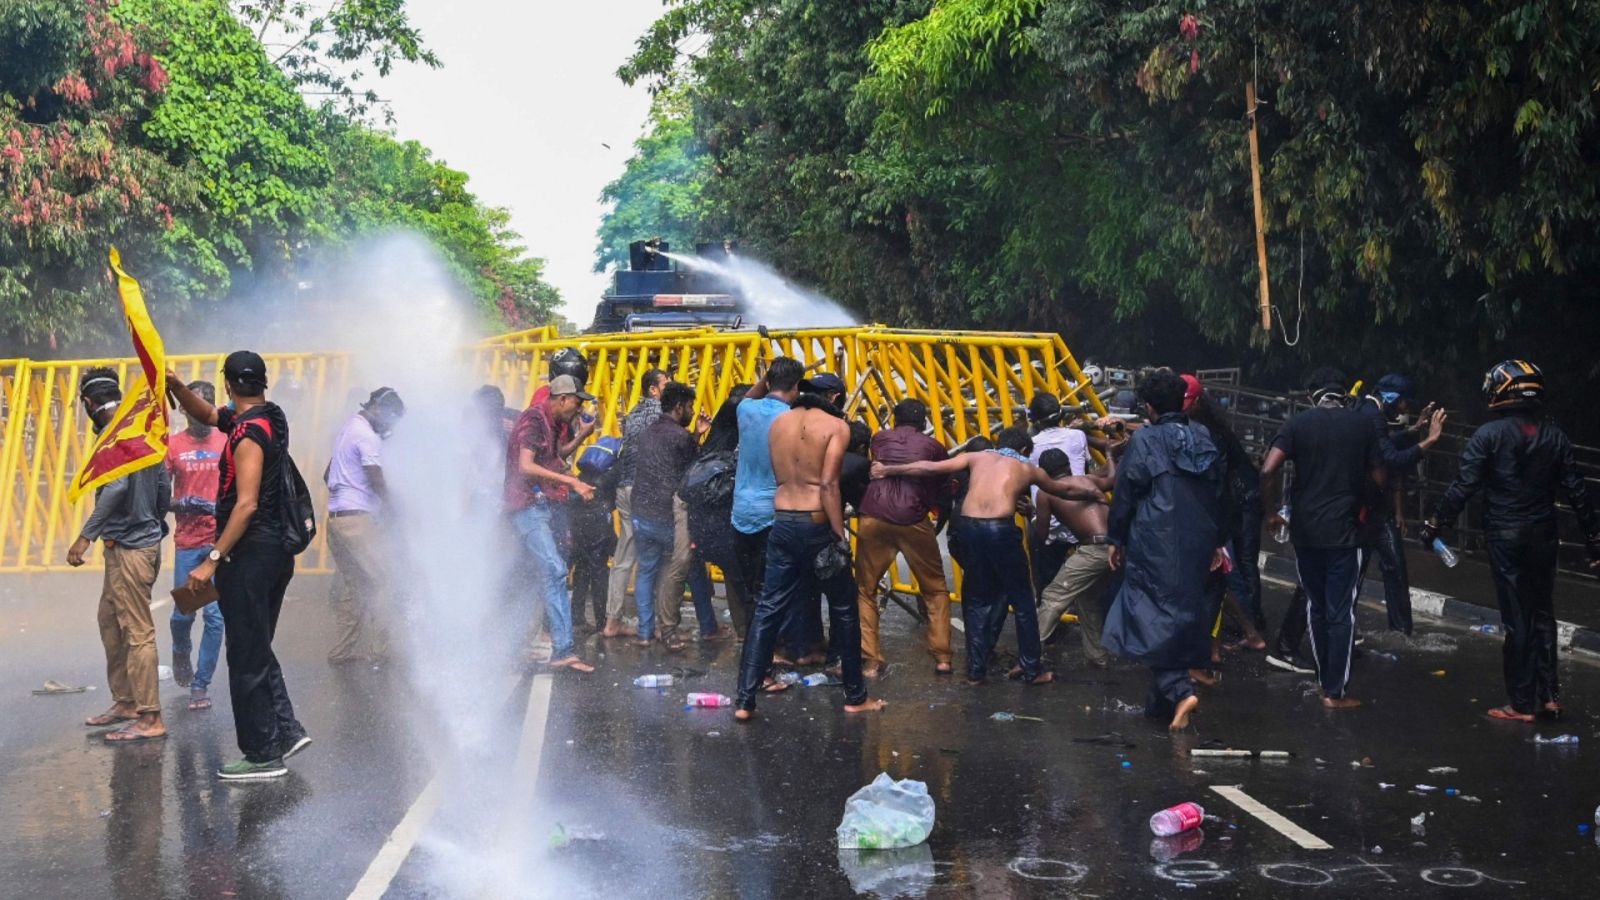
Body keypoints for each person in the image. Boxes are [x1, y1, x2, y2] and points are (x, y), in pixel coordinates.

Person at [1420, 360, 1600, 722]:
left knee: (1517, 619)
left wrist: (1436, 523)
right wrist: (1594, 539)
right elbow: (1578, 492)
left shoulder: (1488, 435)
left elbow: (1464, 486)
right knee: (1543, 612)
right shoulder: (1555, 436)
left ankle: (1520, 703)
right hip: (1544, 535)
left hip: (1505, 535)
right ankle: (1550, 696)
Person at [167, 352, 311, 779]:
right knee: (256, 646)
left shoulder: (249, 434)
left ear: (228, 384)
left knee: (246, 655)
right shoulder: (267, 417)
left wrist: (211, 560)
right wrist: (176, 388)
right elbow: (210, 415)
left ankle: (262, 753)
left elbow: (246, 505)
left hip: (252, 553)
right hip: (267, 553)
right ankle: (285, 730)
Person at [874, 426, 1105, 685]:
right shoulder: (1028, 468)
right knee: (1023, 602)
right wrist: (1094, 494)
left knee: (977, 601)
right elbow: (1062, 490)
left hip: (968, 527)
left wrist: (888, 470)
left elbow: (930, 467)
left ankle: (975, 673)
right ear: (1025, 450)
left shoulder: (977, 457)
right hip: (1000, 530)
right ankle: (1032, 670)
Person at [734, 390, 886, 722]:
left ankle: (745, 700)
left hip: (783, 522)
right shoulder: (836, 426)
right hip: (816, 522)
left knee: (767, 609)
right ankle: (855, 696)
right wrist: (838, 534)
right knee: (844, 608)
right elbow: (829, 484)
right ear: (832, 402)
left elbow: (780, 477)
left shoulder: (778, 425)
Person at [1100, 371, 1228, 730]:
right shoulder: (1203, 436)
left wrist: (1116, 538)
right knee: (1181, 614)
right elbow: (1219, 491)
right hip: (1197, 536)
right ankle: (1160, 706)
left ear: (1149, 407)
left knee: (1147, 617)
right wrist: (1217, 539)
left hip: (1154, 536)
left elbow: (1125, 492)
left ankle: (1179, 688)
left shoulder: (1145, 440)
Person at [1260, 368, 1382, 710]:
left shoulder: (1298, 424)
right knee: (1341, 611)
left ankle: (1322, 680)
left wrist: (1271, 514)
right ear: (1343, 393)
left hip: (1306, 530)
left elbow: (1268, 469)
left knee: (1316, 605)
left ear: (1312, 393)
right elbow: (1379, 475)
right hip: (1346, 530)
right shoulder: (1363, 425)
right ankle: (1335, 691)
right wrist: (1367, 506)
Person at [69, 368, 171, 744]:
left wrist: (85, 537)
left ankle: (150, 717)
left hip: (131, 549)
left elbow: (116, 486)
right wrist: (151, 520)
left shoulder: (113, 435)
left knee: (137, 632)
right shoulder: (142, 429)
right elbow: (162, 484)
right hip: (131, 543)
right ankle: (127, 701)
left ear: (89, 403)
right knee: (110, 621)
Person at [505, 374, 598, 673]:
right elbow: (526, 465)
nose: (578, 408)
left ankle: (507, 644)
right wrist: (572, 481)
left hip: (539, 503)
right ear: (562, 399)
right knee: (554, 570)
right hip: (525, 504)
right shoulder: (533, 421)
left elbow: (555, 457)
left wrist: (582, 435)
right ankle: (563, 649)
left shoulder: (553, 422)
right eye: (576, 401)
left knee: (533, 576)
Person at [855, 399, 954, 676]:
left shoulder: (879, 439)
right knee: (934, 589)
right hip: (912, 518)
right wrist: (939, 522)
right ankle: (942, 657)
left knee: (865, 590)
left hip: (873, 515)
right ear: (923, 422)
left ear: (894, 420)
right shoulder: (933, 447)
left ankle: (872, 661)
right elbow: (943, 488)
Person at [1356, 374, 1447, 635]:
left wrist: (1415, 429)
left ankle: (1400, 630)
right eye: (1405, 402)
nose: (1405, 408)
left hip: (1375, 505)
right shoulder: (1371, 415)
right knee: (1366, 569)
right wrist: (1429, 440)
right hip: (1364, 506)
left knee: (1392, 566)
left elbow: (1383, 444)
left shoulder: (1369, 410)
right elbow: (1391, 458)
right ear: (1392, 398)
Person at [1182, 377, 1268, 650]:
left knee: (1234, 567)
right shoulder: (1206, 425)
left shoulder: (1208, 433)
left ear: (1195, 402)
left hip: (1236, 502)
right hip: (1234, 500)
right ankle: (1247, 627)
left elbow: (1215, 476)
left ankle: (1250, 627)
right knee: (1232, 568)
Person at [324, 387, 406, 664]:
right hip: (358, 520)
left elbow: (328, 474)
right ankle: (381, 651)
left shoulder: (348, 428)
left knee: (354, 585)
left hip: (337, 518)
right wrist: (396, 510)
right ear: (379, 409)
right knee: (389, 581)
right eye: (391, 419)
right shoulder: (366, 437)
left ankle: (342, 651)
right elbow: (376, 480)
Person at [628, 382, 712, 649]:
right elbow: (691, 468)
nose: (691, 411)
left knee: (646, 570)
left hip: (640, 511)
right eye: (689, 406)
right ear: (679, 407)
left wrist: (694, 435)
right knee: (680, 570)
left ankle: (644, 633)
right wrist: (698, 437)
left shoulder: (648, 431)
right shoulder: (680, 436)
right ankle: (672, 631)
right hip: (666, 513)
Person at [166, 380, 227, 710]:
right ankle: (180, 649)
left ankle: (200, 686)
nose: (197, 414)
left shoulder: (227, 440)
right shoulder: (173, 446)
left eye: (202, 407)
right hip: (188, 542)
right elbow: (161, 496)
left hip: (220, 541)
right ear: (183, 409)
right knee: (183, 615)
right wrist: (181, 503)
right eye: (189, 406)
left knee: (215, 618)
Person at [730, 358, 805, 629]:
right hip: (772, 514)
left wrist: (768, 375)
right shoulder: (792, 418)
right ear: (796, 387)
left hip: (740, 512)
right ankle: (768, 657)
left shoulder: (745, 409)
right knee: (773, 592)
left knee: (753, 591)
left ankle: (754, 648)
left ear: (768, 381)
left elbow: (753, 392)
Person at [1032, 447, 1118, 666]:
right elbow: (1112, 479)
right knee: (1087, 600)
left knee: (1052, 596)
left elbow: (1041, 535)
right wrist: (1108, 455)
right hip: (1116, 548)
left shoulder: (1047, 492)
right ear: (1068, 465)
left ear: (1044, 473)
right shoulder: (1088, 480)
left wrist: (1030, 517)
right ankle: (1098, 656)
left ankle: (1029, 656)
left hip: (1094, 550)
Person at [684, 388, 754, 637]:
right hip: (725, 524)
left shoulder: (717, 441)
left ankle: (744, 631)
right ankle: (750, 633)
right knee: (740, 575)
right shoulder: (730, 430)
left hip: (708, 525)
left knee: (734, 575)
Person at [605, 368, 669, 638]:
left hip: (624, 487)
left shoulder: (632, 414)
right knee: (654, 555)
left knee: (625, 554)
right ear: (653, 389)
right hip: (646, 488)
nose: (671, 388)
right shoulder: (659, 414)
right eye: (666, 384)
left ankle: (613, 618)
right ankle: (653, 624)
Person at [1027, 393, 1092, 591]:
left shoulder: (1032, 445)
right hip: (1080, 517)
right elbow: (1085, 469)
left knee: (1045, 580)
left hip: (1047, 522)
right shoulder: (1078, 436)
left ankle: (1047, 610)